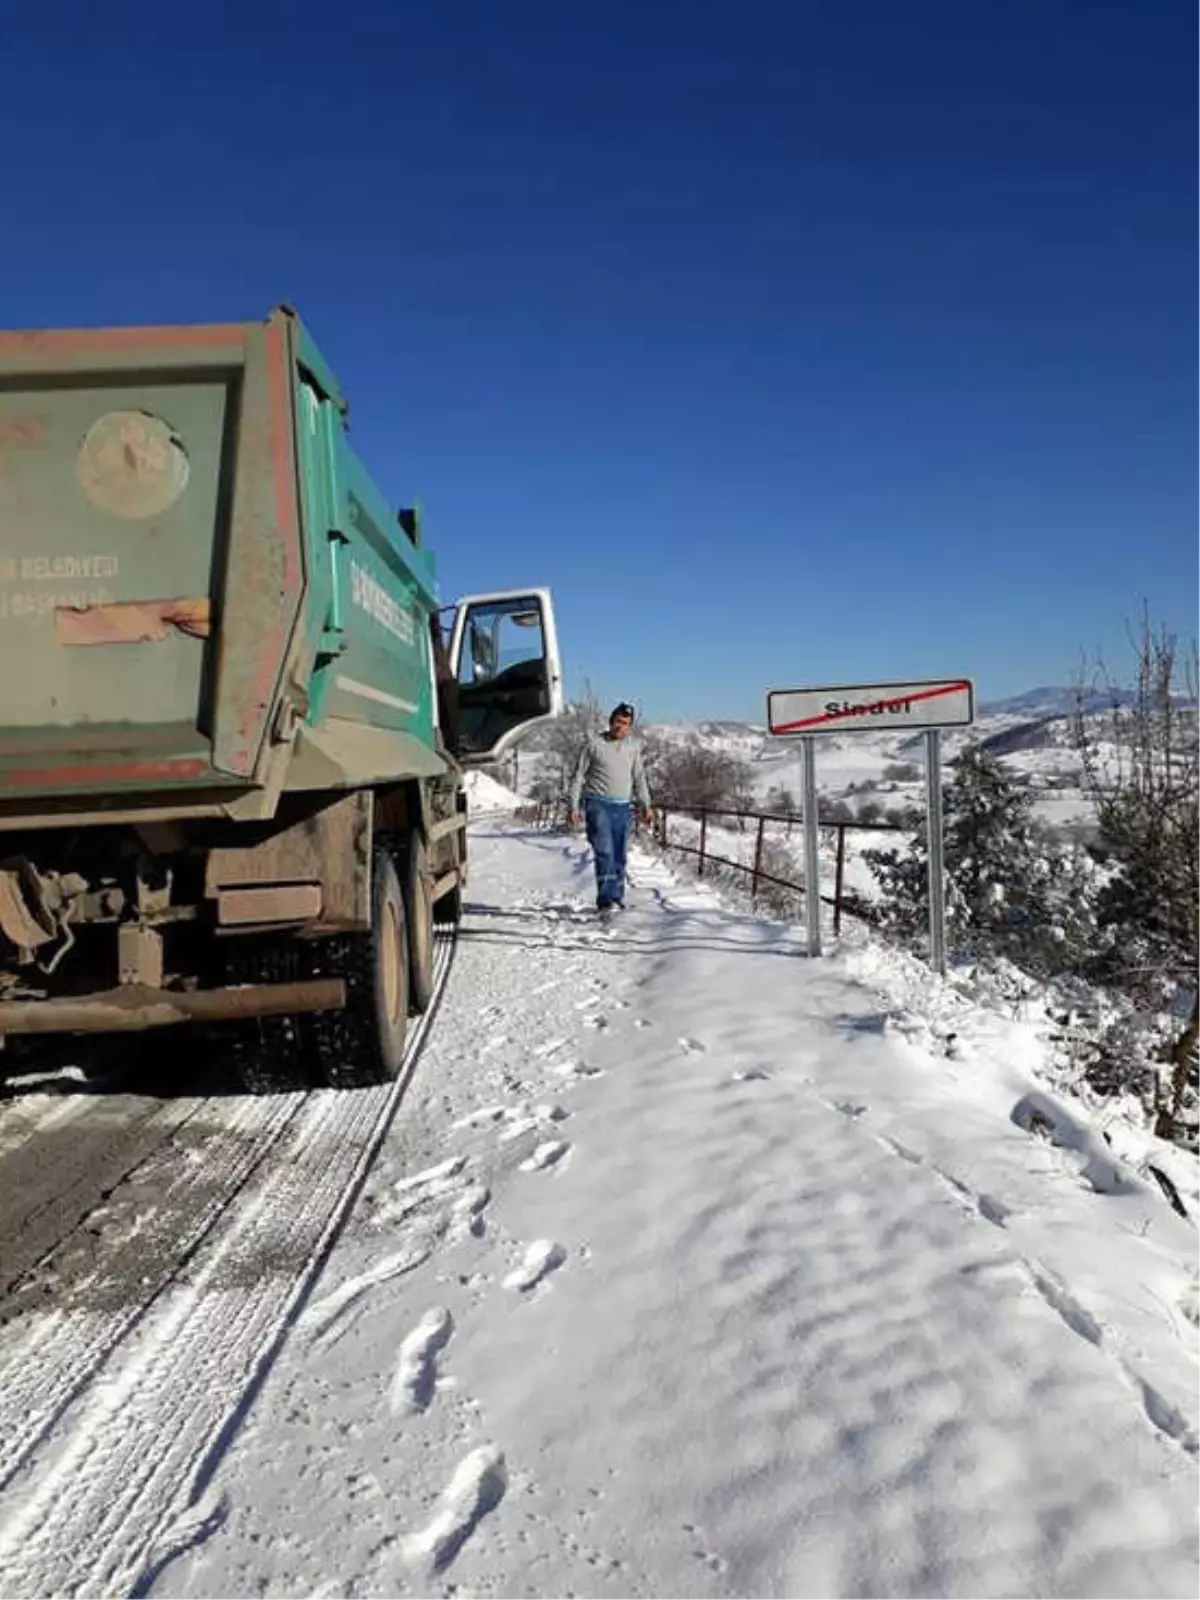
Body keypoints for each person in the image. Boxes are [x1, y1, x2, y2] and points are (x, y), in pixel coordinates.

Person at [566, 702, 654, 913]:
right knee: (604, 851)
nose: (620, 727)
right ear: (611, 721)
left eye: (625, 724)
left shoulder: (633, 748)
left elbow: (639, 777)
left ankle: (617, 896)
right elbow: (578, 776)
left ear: (629, 726)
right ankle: (605, 899)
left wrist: (646, 805)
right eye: (618, 721)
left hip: (623, 807)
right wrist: (573, 807)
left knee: (619, 854)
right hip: (598, 805)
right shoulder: (594, 744)